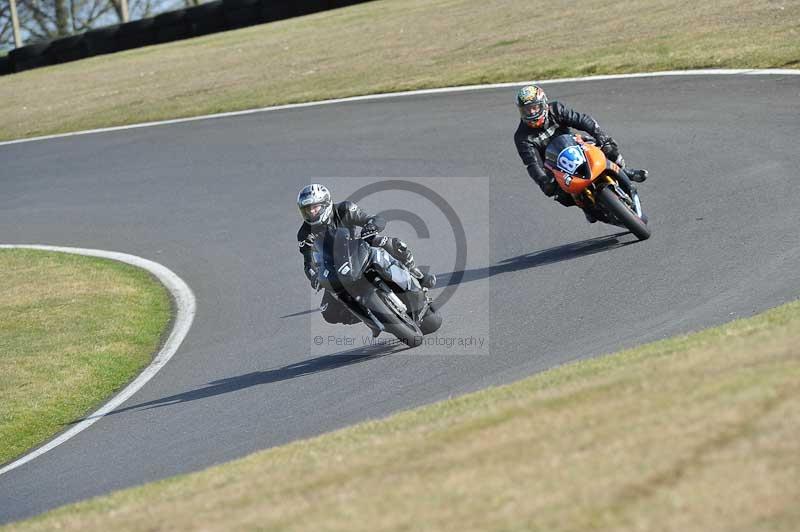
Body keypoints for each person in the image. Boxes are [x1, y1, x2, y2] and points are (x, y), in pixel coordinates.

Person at [297, 184, 435, 324]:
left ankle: (415, 273)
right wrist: (314, 276)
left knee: (390, 243)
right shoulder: (304, 233)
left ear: (326, 203)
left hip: (358, 248)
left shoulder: (344, 209)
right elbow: (308, 262)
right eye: (307, 210)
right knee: (328, 313)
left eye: (315, 207)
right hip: (333, 267)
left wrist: (371, 226)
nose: (311, 212)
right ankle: (367, 315)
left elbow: (374, 219)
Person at [513, 85, 649, 222]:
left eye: (534, 107)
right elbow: (532, 163)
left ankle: (625, 171)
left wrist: (601, 137)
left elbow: (582, 120)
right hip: (556, 167)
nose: (531, 113)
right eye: (526, 110)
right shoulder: (522, 137)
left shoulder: (556, 109)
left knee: (609, 148)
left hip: (576, 146)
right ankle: (585, 206)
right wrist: (543, 181)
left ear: (543, 104)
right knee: (560, 195)